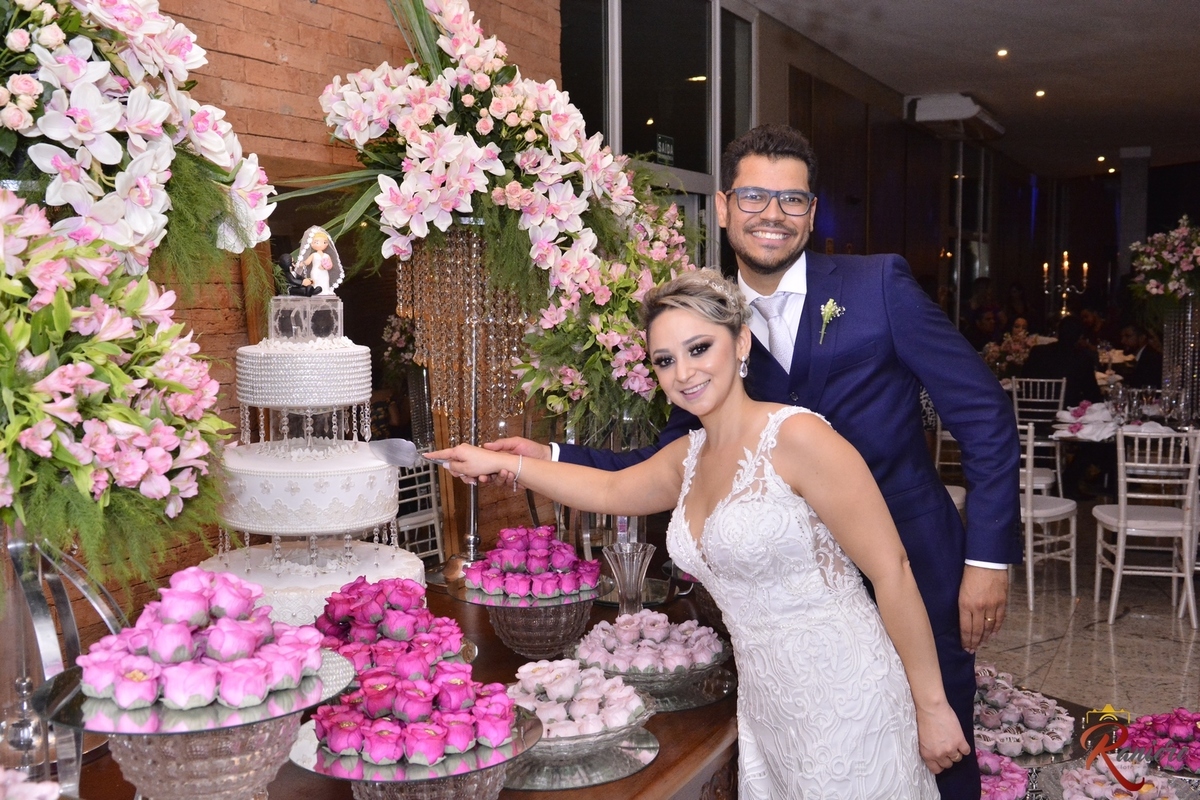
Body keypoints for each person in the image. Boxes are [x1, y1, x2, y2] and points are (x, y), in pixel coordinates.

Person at [485, 124, 1021, 799]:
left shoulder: (877, 285)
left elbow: (984, 414)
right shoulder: (703, 334)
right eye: (756, 197)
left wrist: (988, 559)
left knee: (942, 751)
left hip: (921, 566)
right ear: (726, 206)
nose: (773, 214)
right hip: (796, 600)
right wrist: (551, 454)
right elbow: (670, 458)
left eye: (792, 200)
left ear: (813, 213)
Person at [432, 271, 970, 798]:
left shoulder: (800, 436)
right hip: (768, 703)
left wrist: (931, 705)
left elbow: (892, 572)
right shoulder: (685, 458)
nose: (683, 372)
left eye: (698, 348)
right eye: (665, 360)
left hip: (848, 692)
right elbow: (609, 490)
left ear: (741, 343)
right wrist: (506, 463)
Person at [1022, 315, 1102, 408]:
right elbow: (1092, 394)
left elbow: (1023, 381)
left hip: (1034, 411)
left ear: (1058, 332)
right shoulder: (1083, 358)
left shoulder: (1038, 352)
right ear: (1080, 336)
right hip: (1067, 414)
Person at [1119, 323, 1162, 388]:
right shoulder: (1144, 355)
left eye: (1127, 336)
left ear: (1142, 338)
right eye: (1122, 337)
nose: (1122, 341)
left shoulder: (1150, 360)